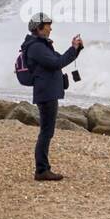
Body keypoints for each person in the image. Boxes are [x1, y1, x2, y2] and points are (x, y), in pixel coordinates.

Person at [22, 13, 83, 181]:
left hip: (48, 91)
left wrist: (75, 49)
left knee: (47, 132)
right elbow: (57, 63)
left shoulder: (42, 45)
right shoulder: (36, 47)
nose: (50, 28)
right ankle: (42, 170)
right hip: (46, 92)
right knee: (46, 132)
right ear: (39, 28)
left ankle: (43, 169)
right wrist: (73, 49)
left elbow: (59, 59)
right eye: (47, 25)